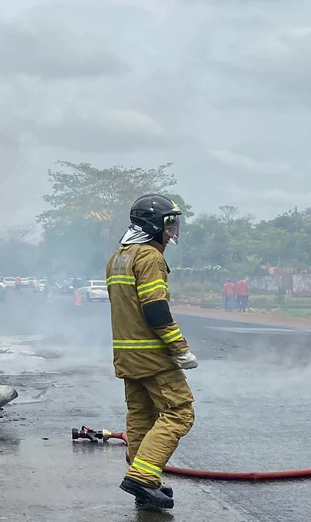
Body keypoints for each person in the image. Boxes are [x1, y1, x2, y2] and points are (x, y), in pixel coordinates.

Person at [105, 194, 197, 511]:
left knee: (142, 416)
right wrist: (180, 349)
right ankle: (143, 478)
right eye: (169, 224)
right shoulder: (149, 258)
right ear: (153, 225)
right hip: (152, 356)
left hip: (127, 355)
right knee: (179, 413)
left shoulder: (119, 256)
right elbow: (156, 311)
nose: (173, 231)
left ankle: (146, 481)